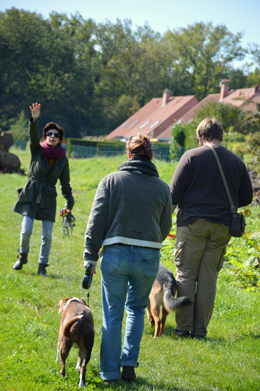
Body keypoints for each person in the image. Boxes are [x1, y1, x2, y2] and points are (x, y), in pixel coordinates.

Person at [83, 134, 172, 384]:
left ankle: (109, 373)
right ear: (150, 154)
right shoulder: (163, 187)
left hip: (115, 253)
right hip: (148, 257)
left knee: (112, 314)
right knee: (135, 310)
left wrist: (89, 257)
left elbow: (95, 223)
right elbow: (165, 228)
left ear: (129, 154)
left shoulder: (110, 181)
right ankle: (129, 365)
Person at [170, 117, 253, 338]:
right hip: (223, 227)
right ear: (220, 136)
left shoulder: (191, 156)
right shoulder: (237, 162)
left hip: (192, 224)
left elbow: (174, 194)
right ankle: (200, 331)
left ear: (202, 136)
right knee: (208, 279)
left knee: (186, 275)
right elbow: (245, 197)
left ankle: (183, 328)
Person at [13, 103, 74, 276]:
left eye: (56, 134)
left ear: (60, 139)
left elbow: (65, 183)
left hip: (49, 198)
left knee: (46, 236)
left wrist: (69, 202)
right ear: (45, 136)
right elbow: (32, 135)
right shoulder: (37, 150)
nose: (52, 136)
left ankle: (42, 266)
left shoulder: (63, 160)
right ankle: (22, 256)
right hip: (31, 194)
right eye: (49, 133)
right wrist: (34, 119)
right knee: (26, 231)